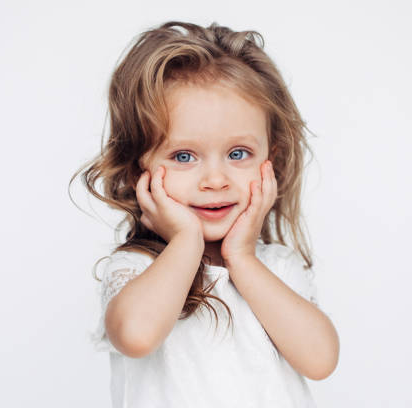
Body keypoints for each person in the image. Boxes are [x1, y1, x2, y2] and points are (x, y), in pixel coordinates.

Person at [74, 20, 339, 407]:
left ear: (271, 162)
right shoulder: (136, 268)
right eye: (184, 156)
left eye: (238, 154)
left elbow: (320, 360)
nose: (215, 180)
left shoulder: (277, 266)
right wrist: (186, 241)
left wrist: (242, 258)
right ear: (138, 170)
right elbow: (135, 335)